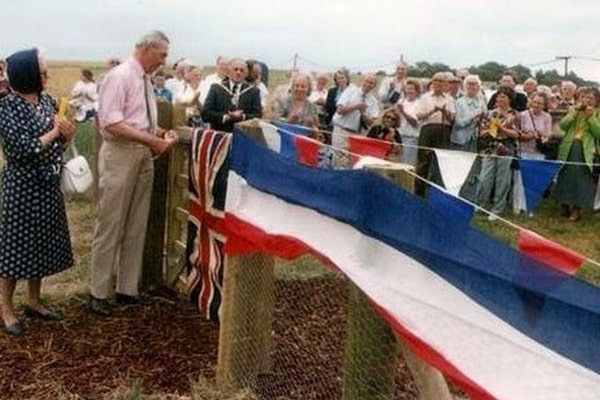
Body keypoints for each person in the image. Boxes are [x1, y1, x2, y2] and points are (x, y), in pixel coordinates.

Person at [89, 30, 178, 316]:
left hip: (142, 153)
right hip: (121, 154)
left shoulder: (145, 81)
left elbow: (137, 120)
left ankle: (127, 289)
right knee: (111, 223)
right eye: (162, 55)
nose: (164, 61)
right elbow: (111, 122)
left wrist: (159, 133)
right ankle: (98, 292)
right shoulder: (120, 76)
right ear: (147, 49)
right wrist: (152, 141)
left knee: (136, 223)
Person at [0, 48, 76, 335]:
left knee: (41, 243)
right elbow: (22, 149)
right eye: (43, 72)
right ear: (29, 74)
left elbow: (56, 146)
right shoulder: (7, 106)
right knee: (14, 248)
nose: (48, 76)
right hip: (22, 188)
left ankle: (33, 301)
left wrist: (66, 136)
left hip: (47, 184)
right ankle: (5, 309)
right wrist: (56, 132)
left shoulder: (46, 102)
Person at [555, 87, 600, 222]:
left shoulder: (597, 114)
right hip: (568, 148)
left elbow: (598, 133)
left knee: (581, 180)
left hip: (585, 150)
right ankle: (564, 205)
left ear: (597, 101)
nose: (586, 100)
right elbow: (563, 126)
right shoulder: (573, 109)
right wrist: (574, 113)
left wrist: (590, 117)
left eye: (590, 98)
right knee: (565, 176)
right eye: (584, 97)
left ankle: (576, 209)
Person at [475, 86, 520, 220]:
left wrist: (502, 129)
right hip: (489, 147)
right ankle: (481, 205)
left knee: (502, 180)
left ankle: (497, 209)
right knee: (484, 178)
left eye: (504, 96)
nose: (500, 99)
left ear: (509, 99)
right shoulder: (489, 113)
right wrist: (489, 130)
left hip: (506, 148)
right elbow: (481, 133)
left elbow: (516, 134)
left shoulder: (515, 114)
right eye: (499, 96)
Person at [414, 72, 455, 197]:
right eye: (436, 80)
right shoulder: (425, 97)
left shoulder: (449, 99)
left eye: (441, 81)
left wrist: (444, 111)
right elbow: (419, 115)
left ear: (445, 84)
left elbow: (452, 118)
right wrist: (432, 111)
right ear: (432, 82)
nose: (438, 83)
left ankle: (438, 194)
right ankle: (419, 193)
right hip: (428, 129)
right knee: (423, 162)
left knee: (442, 162)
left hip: (443, 130)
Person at [512, 91, 552, 215]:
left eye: (540, 103)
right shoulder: (522, 115)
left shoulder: (547, 117)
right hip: (523, 150)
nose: (537, 105)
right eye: (535, 102)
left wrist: (541, 136)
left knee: (533, 180)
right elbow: (516, 132)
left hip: (538, 152)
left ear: (544, 105)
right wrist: (527, 135)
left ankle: (530, 206)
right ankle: (517, 206)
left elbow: (548, 133)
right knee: (519, 179)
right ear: (531, 102)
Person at [201, 58, 263, 132]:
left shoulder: (253, 92)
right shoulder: (216, 89)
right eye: (235, 69)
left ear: (246, 74)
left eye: (242, 70)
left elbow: (257, 115)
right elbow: (205, 114)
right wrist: (226, 117)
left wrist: (242, 117)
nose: (238, 72)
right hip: (220, 134)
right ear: (229, 72)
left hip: (243, 135)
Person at [331, 73, 380, 148]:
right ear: (362, 81)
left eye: (371, 83)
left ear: (374, 86)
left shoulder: (374, 101)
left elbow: (373, 123)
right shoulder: (350, 91)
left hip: (359, 135)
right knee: (340, 159)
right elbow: (339, 111)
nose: (368, 84)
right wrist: (356, 106)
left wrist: (363, 114)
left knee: (355, 159)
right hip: (342, 131)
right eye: (366, 81)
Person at [451, 74, 487, 153]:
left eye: (474, 84)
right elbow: (458, 123)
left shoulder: (482, 102)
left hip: (475, 140)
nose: (472, 87)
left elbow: (485, 120)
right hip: (460, 140)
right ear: (464, 86)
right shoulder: (458, 102)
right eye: (469, 84)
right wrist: (473, 116)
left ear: (478, 86)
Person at [396, 79, 421, 165]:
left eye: (411, 89)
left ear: (417, 91)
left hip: (411, 139)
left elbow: (414, 123)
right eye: (407, 88)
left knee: (406, 165)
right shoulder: (401, 101)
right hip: (398, 137)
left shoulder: (419, 103)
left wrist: (403, 112)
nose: (409, 91)